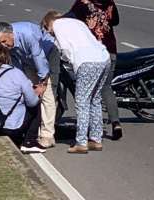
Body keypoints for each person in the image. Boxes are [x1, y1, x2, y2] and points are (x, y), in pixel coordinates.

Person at [42, 11, 110, 153]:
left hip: (86, 62)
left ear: (49, 23)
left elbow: (65, 49)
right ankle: (96, 139)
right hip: (103, 58)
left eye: (48, 30)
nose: (50, 33)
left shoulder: (58, 25)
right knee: (95, 100)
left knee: (82, 103)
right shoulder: (77, 22)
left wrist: (67, 60)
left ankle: (81, 142)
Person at [0, 21, 60, 148]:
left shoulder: (27, 34)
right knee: (30, 94)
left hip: (46, 54)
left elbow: (39, 57)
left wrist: (43, 82)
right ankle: (32, 130)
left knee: (47, 96)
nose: (3, 46)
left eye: (4, 41)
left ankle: (47, 136)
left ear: (11, 34)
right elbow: (16, 62)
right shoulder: (9, 45)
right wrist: (23, 82)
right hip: (27, 60)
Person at [0, 45, 46, 153]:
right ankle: (29, 141)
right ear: (8, 58)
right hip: (11, 125)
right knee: (36, 105)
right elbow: (32, 102)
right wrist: (37, 93)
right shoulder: (17, 74)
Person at [68, 0, 122, 140]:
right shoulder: (110, 3)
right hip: (110, 50)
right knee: (106, 87)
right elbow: (115, 21)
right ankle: (115, 123)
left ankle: (89, 130)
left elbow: (71, 21)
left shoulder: (82, 3)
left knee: (87, 92)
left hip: (90, 52)